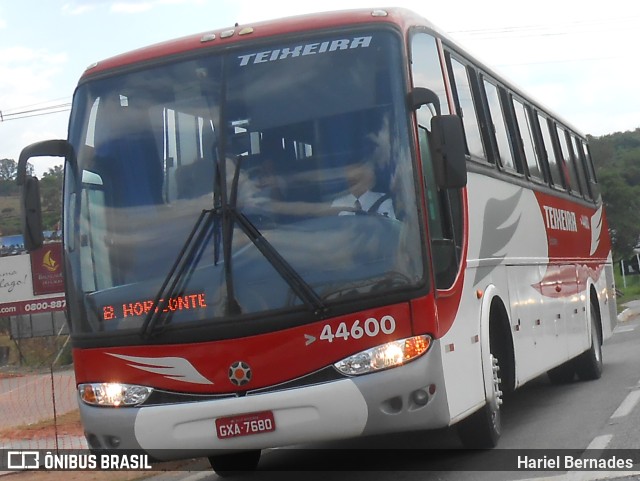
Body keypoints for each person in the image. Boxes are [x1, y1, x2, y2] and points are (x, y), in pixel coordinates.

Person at [331, 161, 396, 220]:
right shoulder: (337, 203)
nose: (355, 184)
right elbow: (332, 229)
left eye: (358, 179)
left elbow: (389, 228)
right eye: (351, 180)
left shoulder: (383, 200)